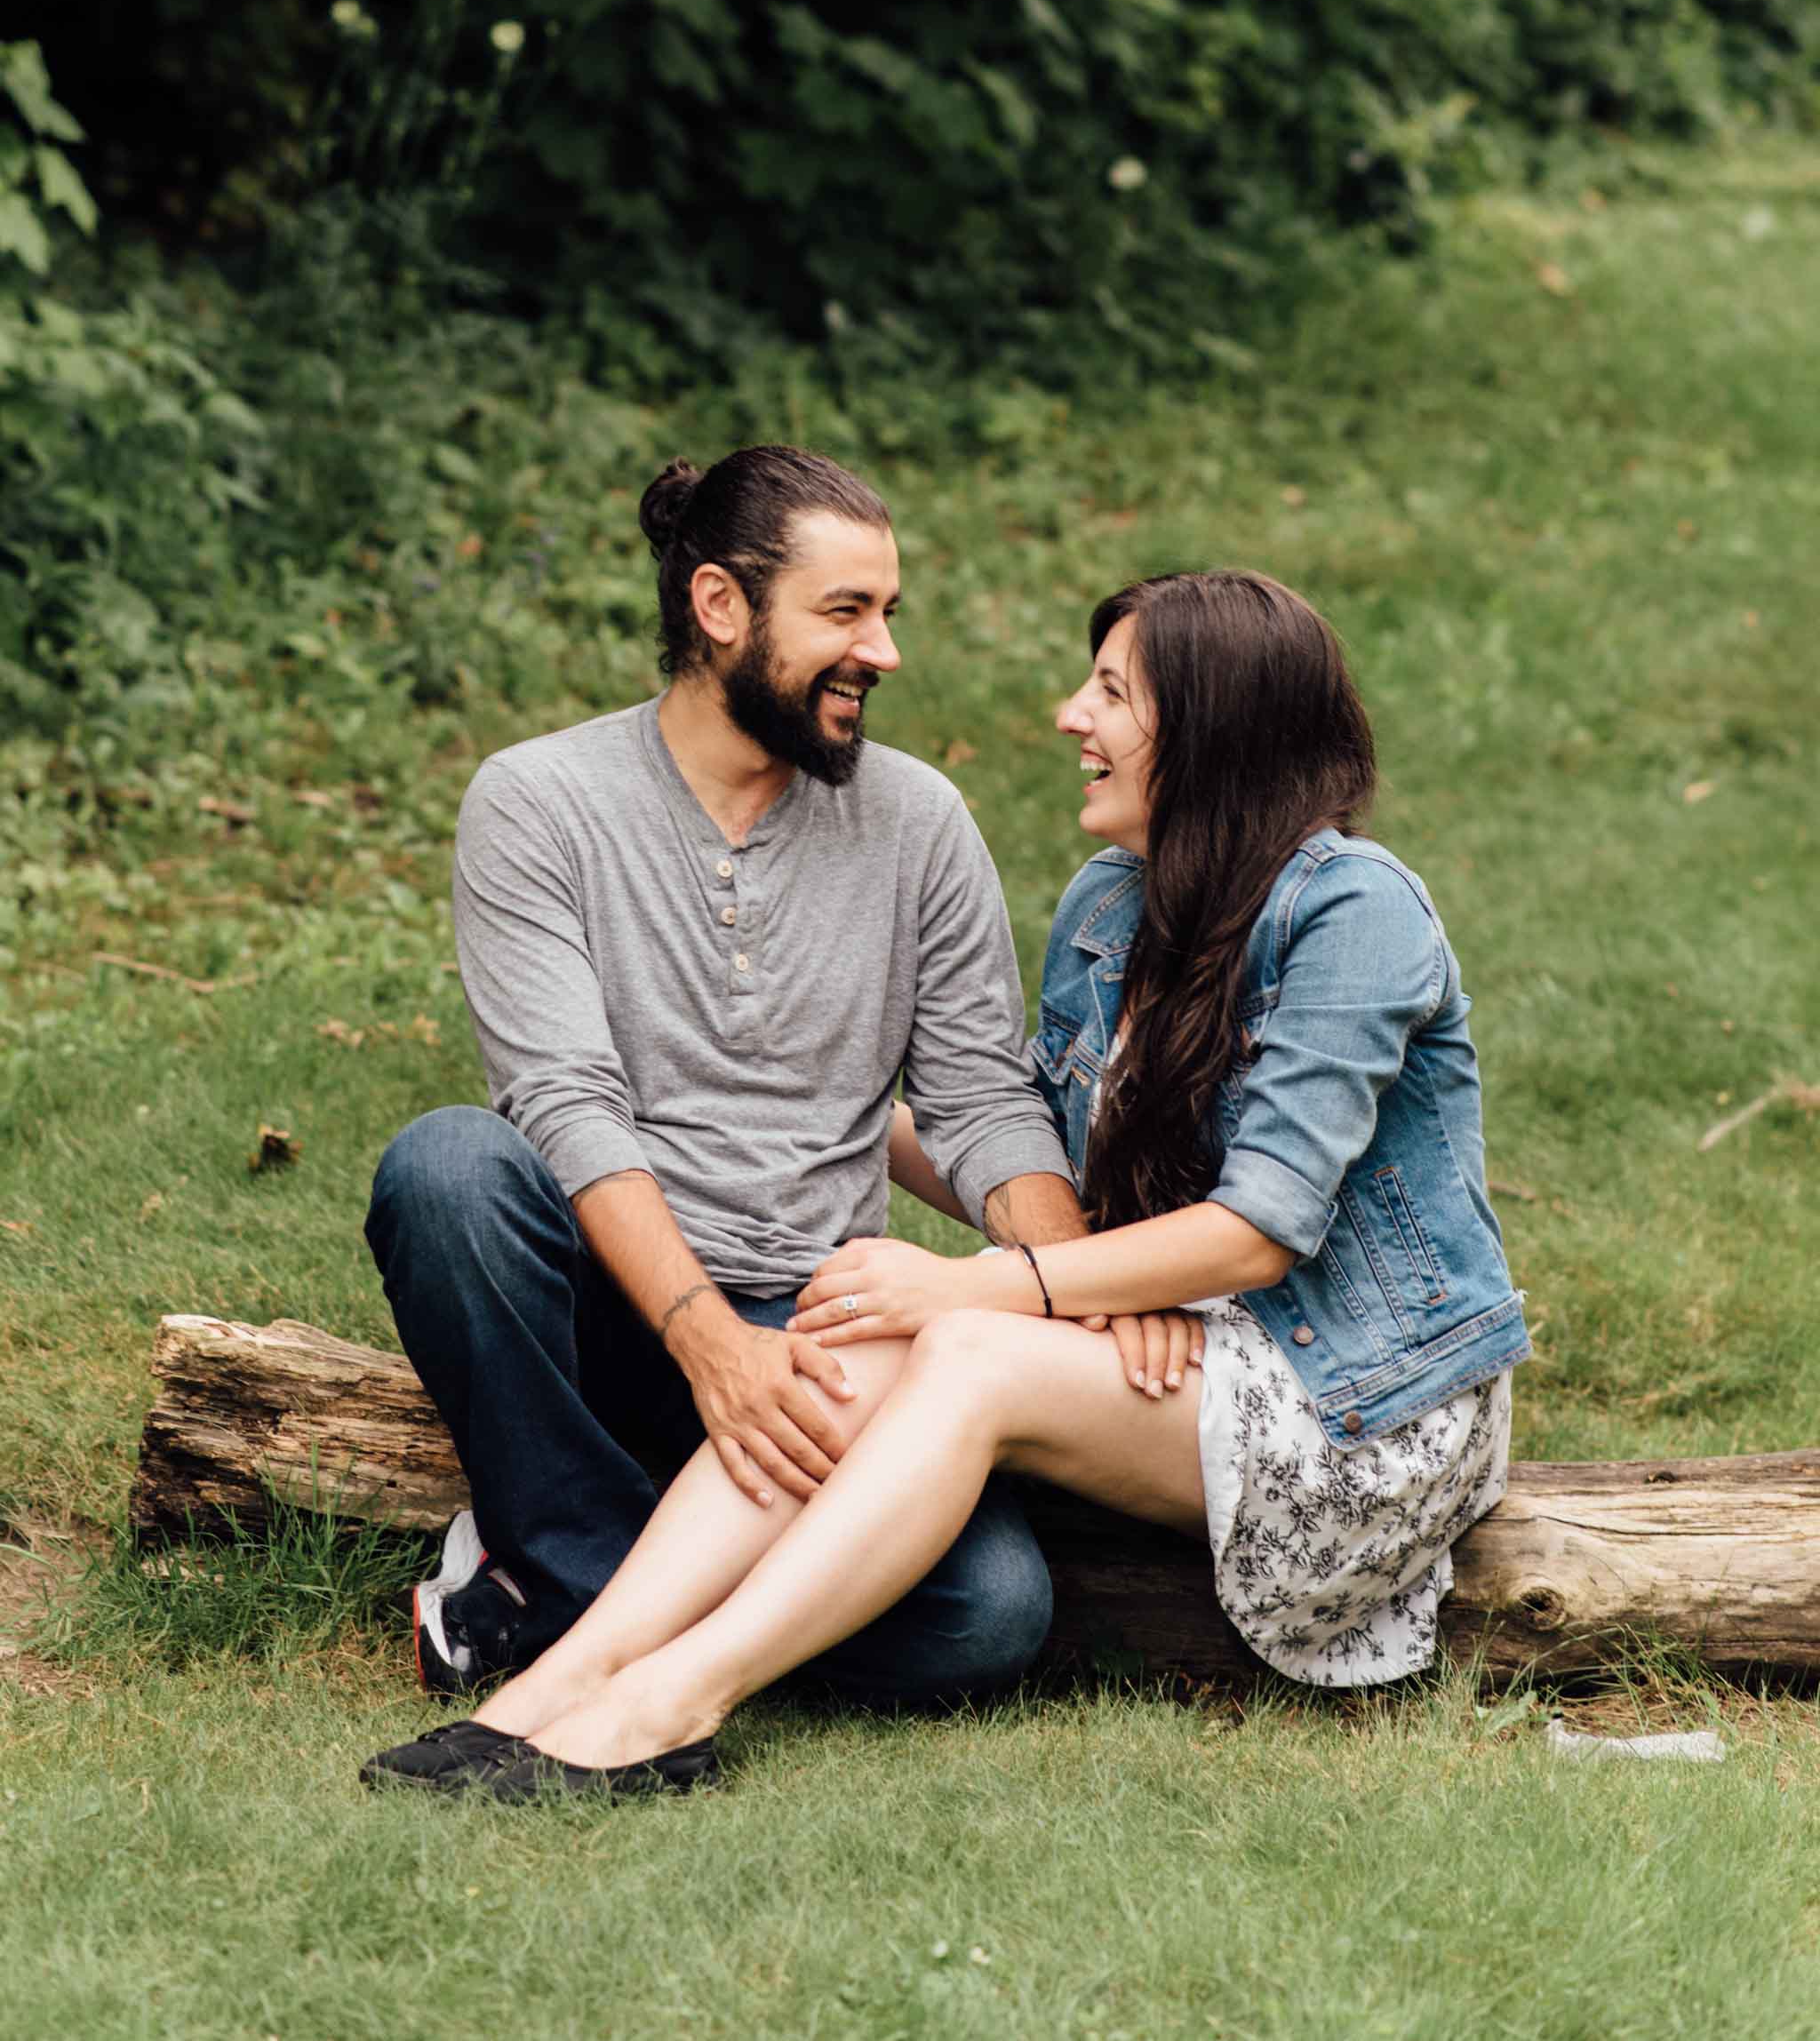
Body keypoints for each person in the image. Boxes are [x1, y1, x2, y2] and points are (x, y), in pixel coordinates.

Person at [362, 568, 1529, 1803]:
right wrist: (803, 1102)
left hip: (1355, 1404)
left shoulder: (1356, 911)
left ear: (1214, 726)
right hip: (1195, 1355)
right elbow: (1019, 1141)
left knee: (961, 1348)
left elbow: (1258, 1231)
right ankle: (557, 1684)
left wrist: (1001, 1284)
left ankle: (670, 1701)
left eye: (1113, 692)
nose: (1070, 715)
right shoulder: (1113, 909)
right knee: (857, 1350)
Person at [364, 444, 1199, 1711]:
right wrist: (705, 1347)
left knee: (991, 1617)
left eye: (889, 613)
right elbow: (567, 1104)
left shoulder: (920, 824)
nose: (885, 651)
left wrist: (1074, 1289)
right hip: (610, 1311)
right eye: (846, 612)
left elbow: (981, 1105)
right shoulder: (537, 803)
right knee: (448, 1170)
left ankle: (557, 1579)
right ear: (720, 609)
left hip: (819, 1336)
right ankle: (623, 1582)